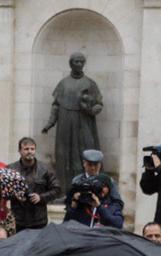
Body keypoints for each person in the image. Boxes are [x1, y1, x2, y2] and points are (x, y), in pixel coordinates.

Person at [42, 52, 104, 191]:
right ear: (71, 63)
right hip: (65, 121)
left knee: (83, 153)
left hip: (83, 122)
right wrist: (50, 123)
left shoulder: (90, 83)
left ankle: (85, 188)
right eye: (76, 61)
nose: (79, 64)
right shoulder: (63, 84)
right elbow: (56, 105)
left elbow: (99, 104)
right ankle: (64, 190)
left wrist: (91, 109)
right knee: (64, 155)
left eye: (82, 62)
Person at [8, 137, 61, 231]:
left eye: (32, 149)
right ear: (19, 151)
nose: (30, 151)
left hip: (39, 221)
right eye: (26, 149)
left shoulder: (45, 169)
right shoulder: (11, 169)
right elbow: (4, 191)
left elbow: (57, 189)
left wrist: (41, 197)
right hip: (18, 220)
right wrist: (14, 194)